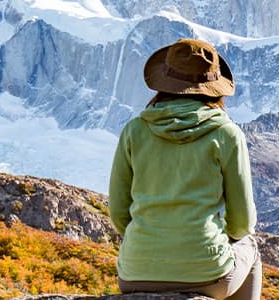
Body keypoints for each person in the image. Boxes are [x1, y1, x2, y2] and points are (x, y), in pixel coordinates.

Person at [109, 38, 260, 299]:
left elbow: (119, 212)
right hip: (207, 275)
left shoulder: (134, 130)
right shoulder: (226, 134)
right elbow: (242, 223)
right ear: (214, 88)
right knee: (251, 249)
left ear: (163, 83)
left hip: (136, 273)